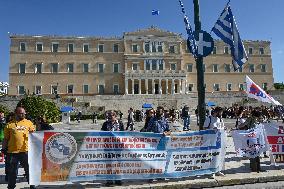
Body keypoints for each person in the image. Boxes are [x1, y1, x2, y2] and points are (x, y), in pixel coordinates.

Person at [2, 107, 36, 189]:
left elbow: (35, 134)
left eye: (24, 113)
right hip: (12, 152)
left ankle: (32, 185)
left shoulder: (29, 123)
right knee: (12, 172)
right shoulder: (9, 125)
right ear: (16, 113)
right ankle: (11, 186)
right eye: (21, 113)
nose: (24, 114)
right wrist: (3, 149)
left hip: (26, 151)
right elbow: (5, 139)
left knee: (29, 170)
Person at [101, 111, 124, 186]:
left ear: (115, 116)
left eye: (111, 115)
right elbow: (101, 133)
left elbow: (123, 134)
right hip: (108, 146)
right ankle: (109, 180)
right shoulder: (105, 124)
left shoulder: (120, 123)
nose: (110, 117)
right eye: (109, 116)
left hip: (117, 147)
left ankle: (118, 179)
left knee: (118, 163)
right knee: (109, 164)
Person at [203, 107, 226, 178]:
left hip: (218, 141)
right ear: (216, 112)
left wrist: (224, 129)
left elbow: (222, 128)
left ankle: (217, 170)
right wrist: (212, 129)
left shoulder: (220, 119)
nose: (221, 114)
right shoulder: (209, 119)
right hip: (210, 141)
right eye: (220, 112)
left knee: (218, 156)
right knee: (211, 156)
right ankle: (211, 172)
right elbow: (204, 128)